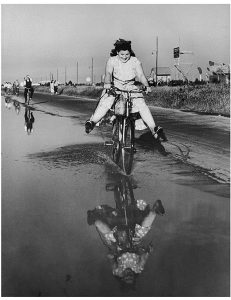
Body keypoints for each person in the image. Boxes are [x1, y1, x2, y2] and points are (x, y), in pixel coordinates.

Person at [85, 39, 167, 141]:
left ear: (130, 52)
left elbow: (141, 75)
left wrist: (147, 85)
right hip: (115, 87)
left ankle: (154, 129)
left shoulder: (135, 61)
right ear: (117, 53)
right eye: (122, 54)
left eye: (127, 54)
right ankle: (92, 122)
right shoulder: (112, 60)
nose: (124, 57)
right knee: (106, 101)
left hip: (130, 87)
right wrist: (107, 83)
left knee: (141, 104)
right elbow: (108, 73)